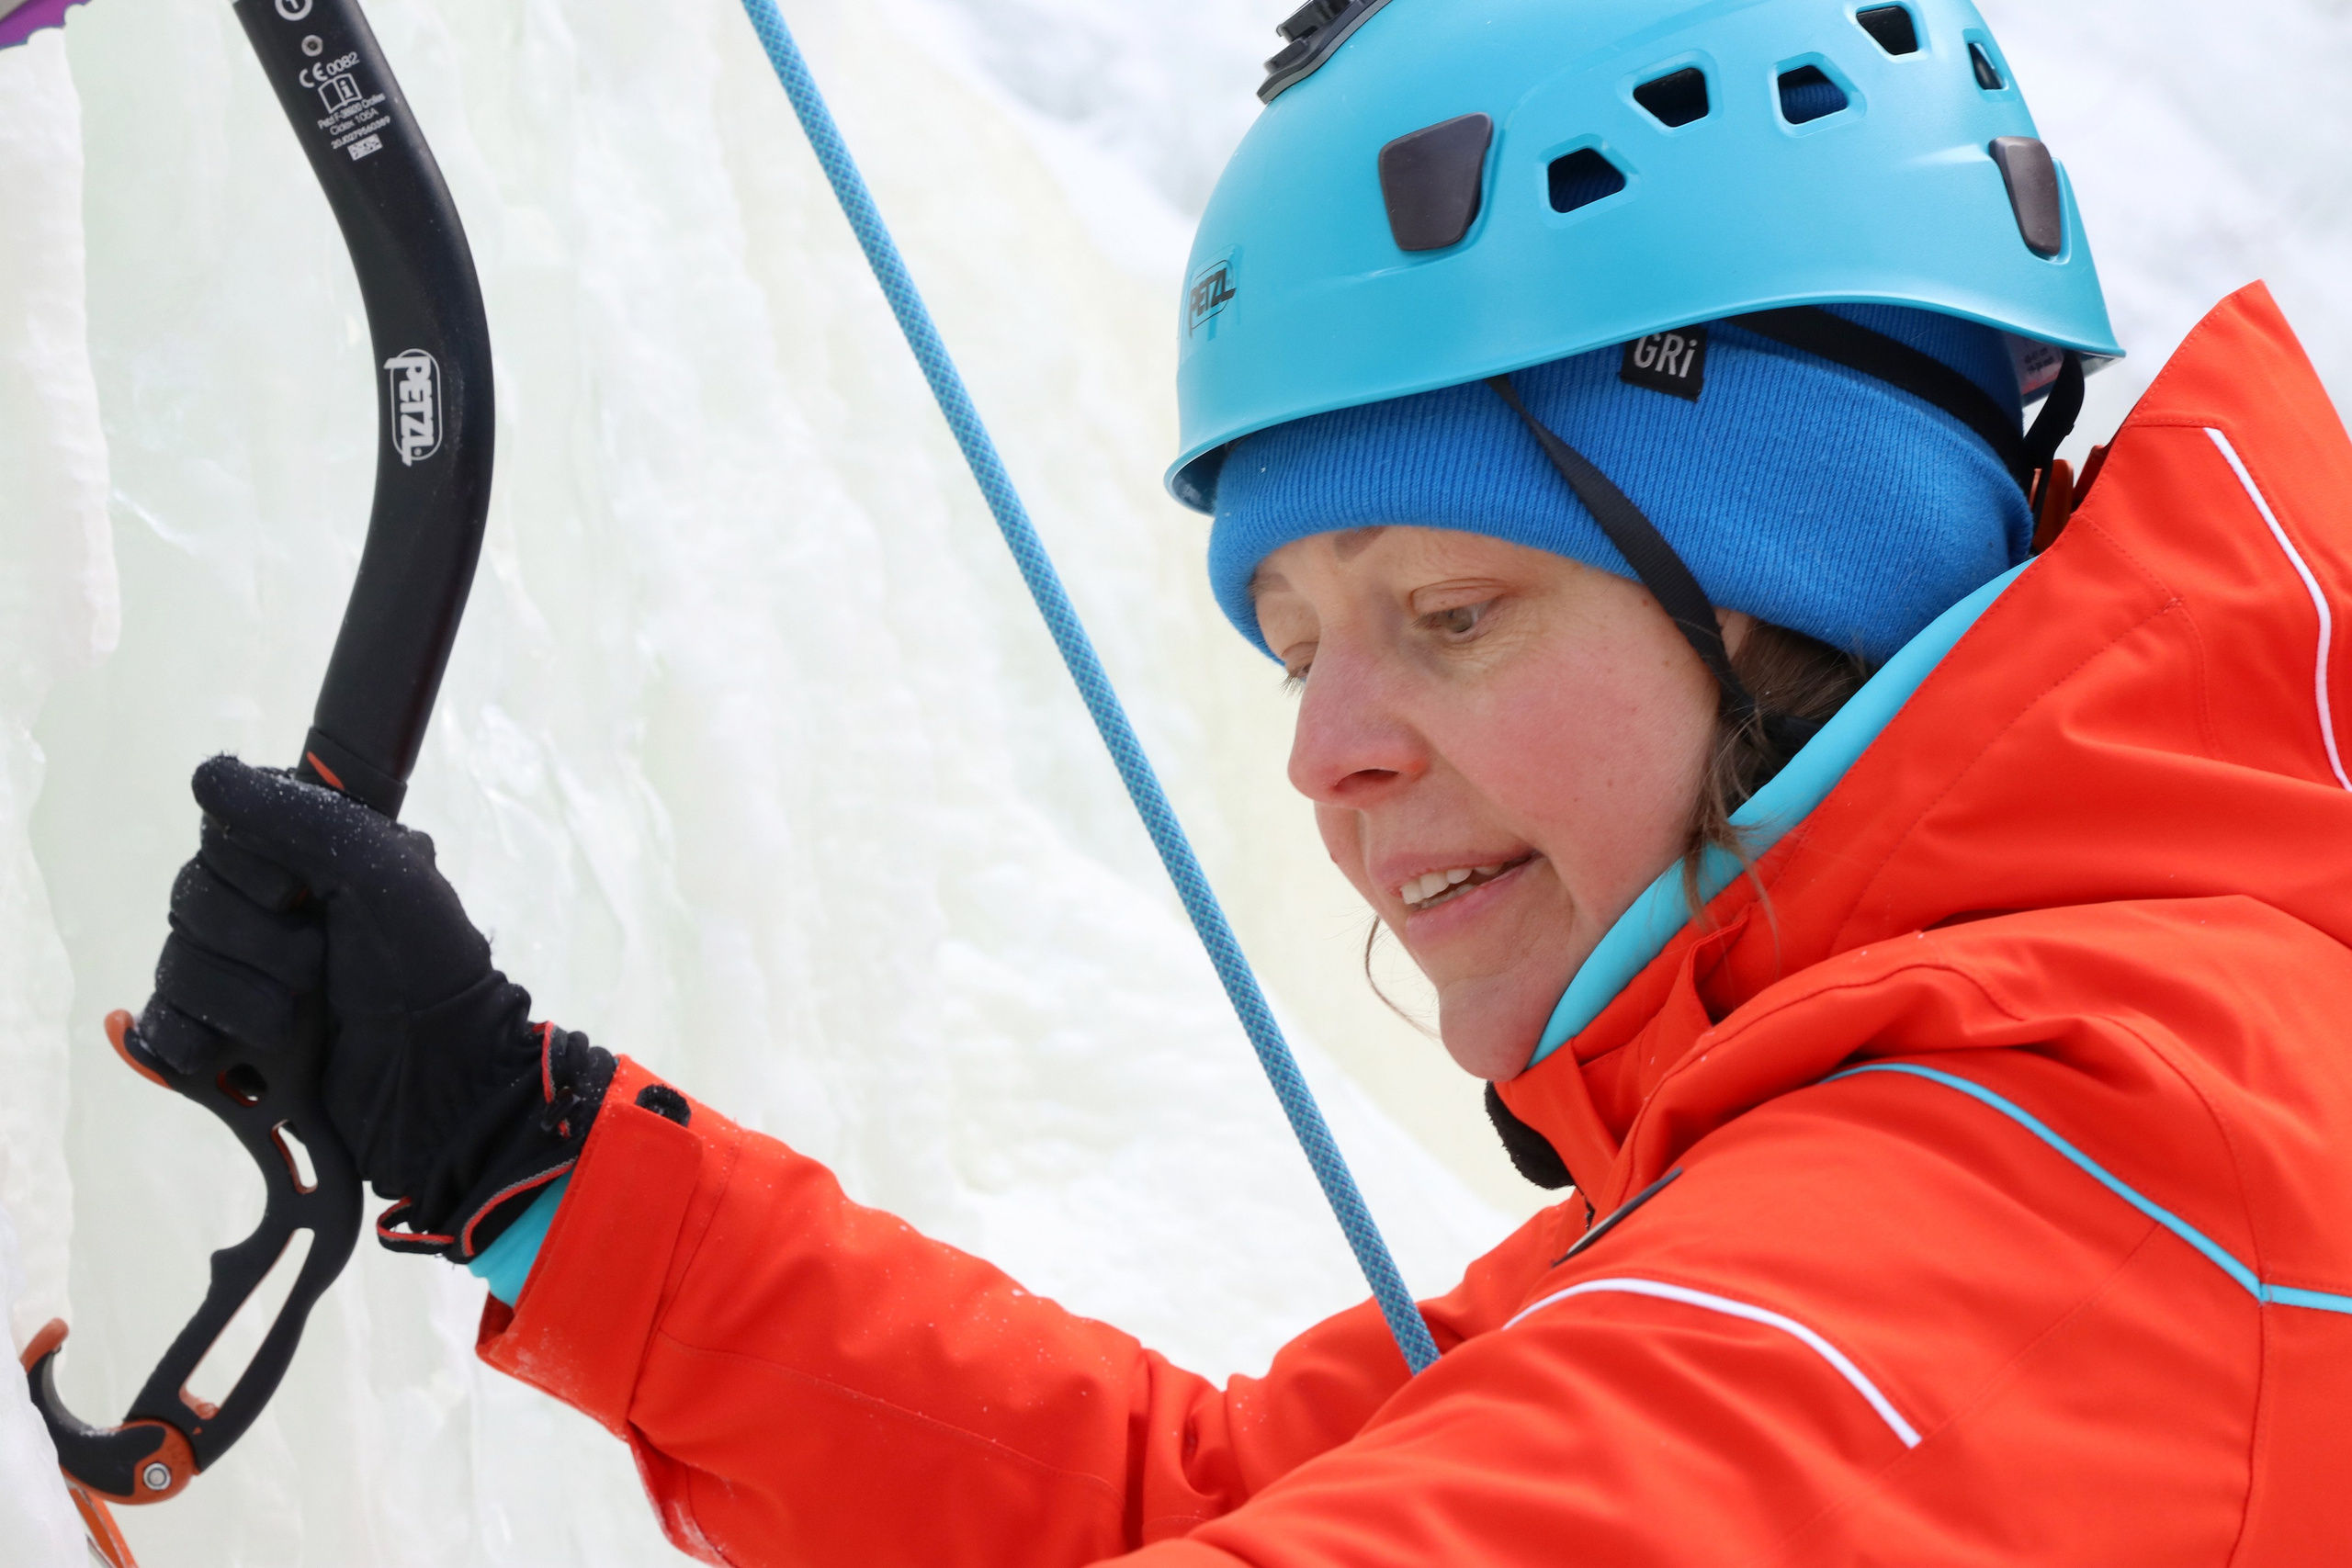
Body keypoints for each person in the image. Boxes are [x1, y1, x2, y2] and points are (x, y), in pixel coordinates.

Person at [135, 0, 2352, 1560]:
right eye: (1289, 639)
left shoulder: (2063, 1198)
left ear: (1795, 590)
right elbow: (1205, 1507)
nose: (1320, 750)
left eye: (1450, 610)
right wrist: (522, 1154)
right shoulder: (1980, 1117)